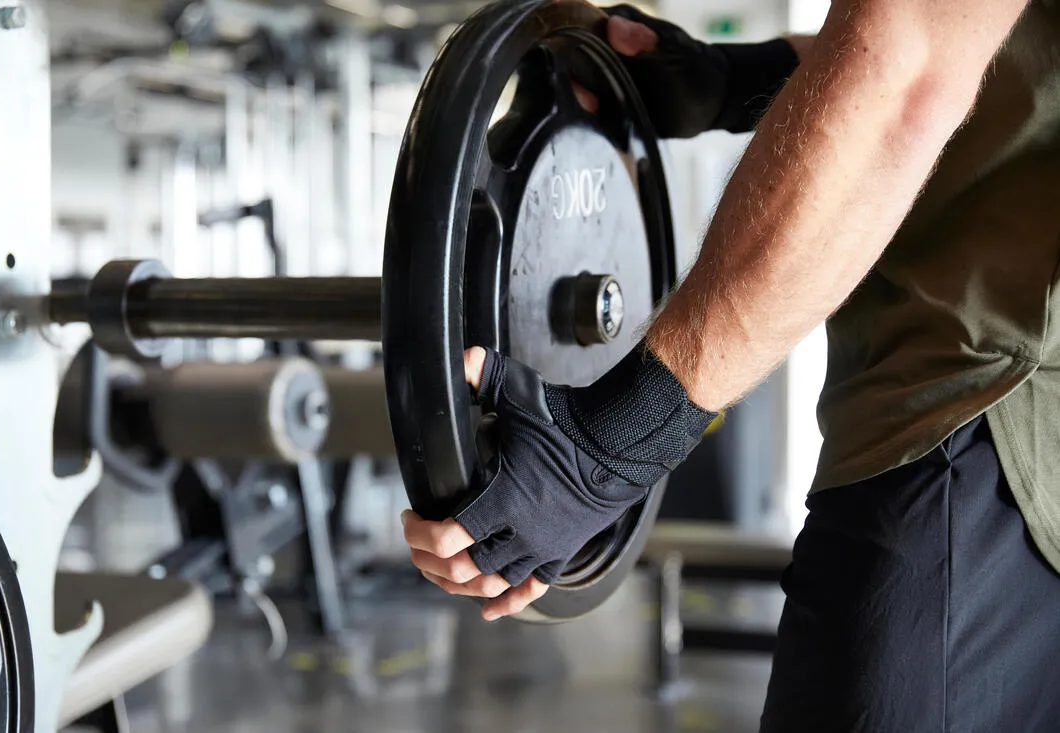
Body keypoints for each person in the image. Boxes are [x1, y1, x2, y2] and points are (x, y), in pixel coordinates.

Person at [403, 0, 1060, 729]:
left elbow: (906, 68)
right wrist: (734, 78)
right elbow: (992, 49)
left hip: (982, 433)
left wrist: (620, 438)